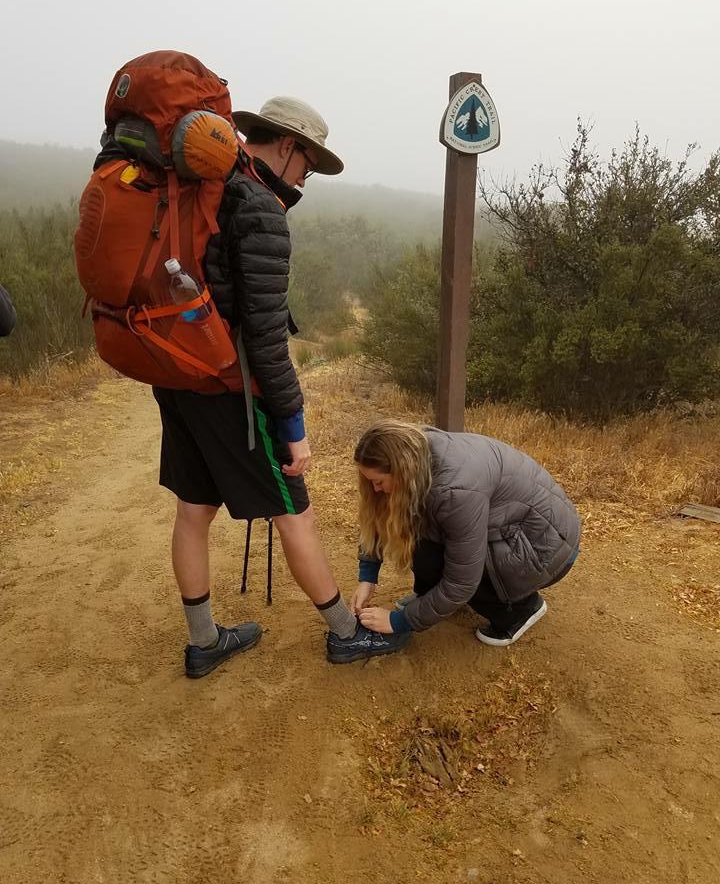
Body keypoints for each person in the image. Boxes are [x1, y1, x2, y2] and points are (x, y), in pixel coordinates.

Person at [149, 97, 409, 675]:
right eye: (308, 166)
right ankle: (346, 634)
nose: (305, 179)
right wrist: (293, 429)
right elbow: (265, 338)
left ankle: (204, 641)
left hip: (175, 372)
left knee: (193, 509)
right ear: (287, 145)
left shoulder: (209, 187)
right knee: (295, 512)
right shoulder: (258, 207)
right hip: (228, 389)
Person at [347, 419, 581, 648]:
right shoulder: (417, 453)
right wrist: (368, 576)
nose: (375, 489)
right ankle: (431, 596)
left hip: (544, 547)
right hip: (514, 527)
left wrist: (401, 621)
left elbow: (462, 582)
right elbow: (379, 515)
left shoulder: (455, 491)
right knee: (418, 530)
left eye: (378, 482)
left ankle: (520, 610)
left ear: (402, 470)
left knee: (450, 561)